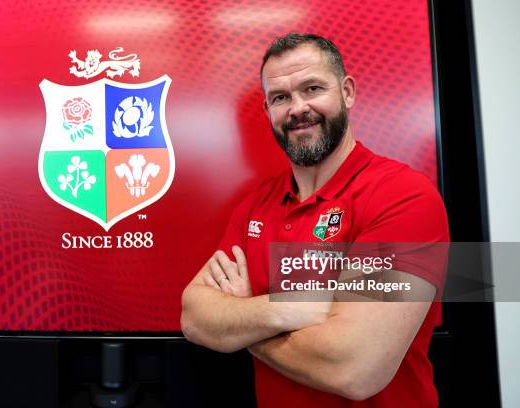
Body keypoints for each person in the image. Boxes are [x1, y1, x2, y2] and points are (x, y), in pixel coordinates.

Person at [180, 33, 449, 407]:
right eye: (280, 97)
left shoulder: (403, 197)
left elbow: (354, 369)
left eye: (312, 88)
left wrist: (241, 322)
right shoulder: (254, 207)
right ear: (268, 111)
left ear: (348, 92)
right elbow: (194, 316)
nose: (297, 108)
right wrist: (289, 308)